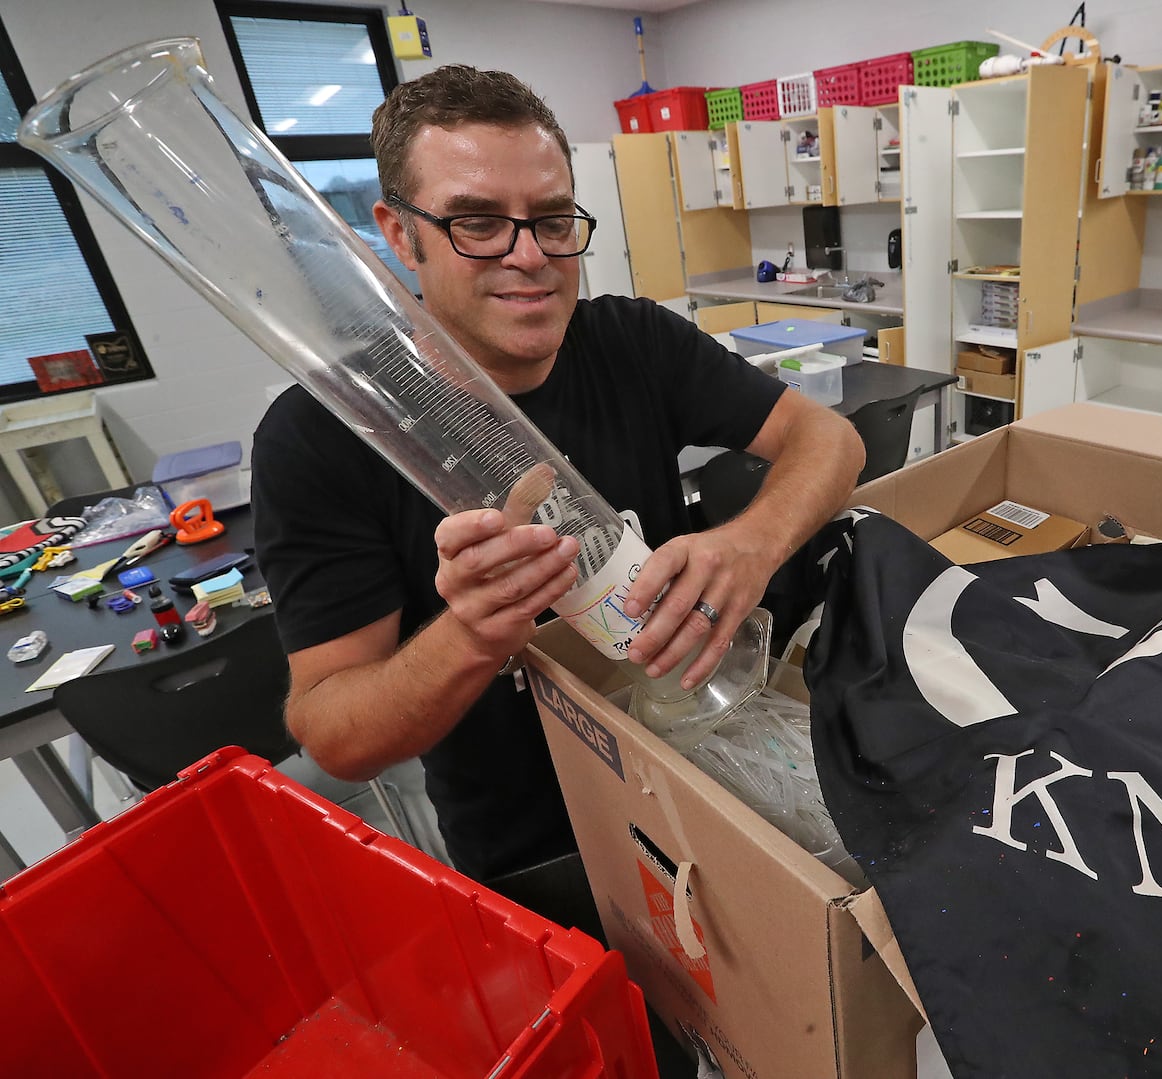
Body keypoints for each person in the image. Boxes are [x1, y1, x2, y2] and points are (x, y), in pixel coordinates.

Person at [251, 65, 865, 884]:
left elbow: (827, 436)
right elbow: (333, 733)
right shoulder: (324, 432)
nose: (529, 256)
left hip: (700, 786)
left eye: (550, 218)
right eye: (476, 223)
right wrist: (470, 635)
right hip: (542, 853)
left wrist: (750, 545)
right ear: (400, 235)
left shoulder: (634, 341)